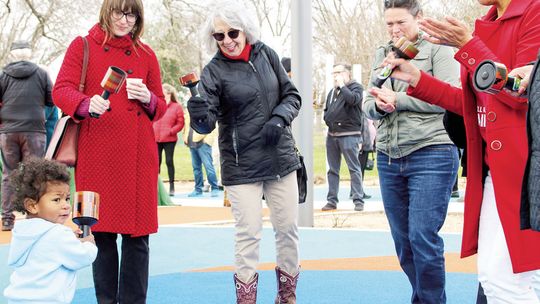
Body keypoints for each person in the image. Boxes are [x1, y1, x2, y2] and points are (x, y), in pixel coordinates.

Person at [377, 0, 540, 302]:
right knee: (496, 279)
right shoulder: (488, 23)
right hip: (497, 172)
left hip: (524, 170)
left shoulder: (534, 13)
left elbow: (520, 89)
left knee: (508, 282)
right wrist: (416, 78)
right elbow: (472, 105)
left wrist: (468, 44)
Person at [52, 0, 167, 302]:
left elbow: (161, 106)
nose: (124, 20)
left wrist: (149, 98)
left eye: (132, 14)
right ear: (106, 11)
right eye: (119, 11)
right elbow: (61, 89)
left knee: (138, 239)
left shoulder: (147, 53)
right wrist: (86, 103)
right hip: (97, 152)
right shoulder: (83, 46)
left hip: (139, 155)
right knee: (100, 235)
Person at [187, 1, 302, 302]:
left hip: (280, 158)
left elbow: (292, 95)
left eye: (232, 32)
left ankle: (287, 296)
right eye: (218, 36)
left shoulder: (266, 54)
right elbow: (206, 124)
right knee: (248, 235)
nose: (227, 40)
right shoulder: (213, 71)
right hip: (242, 166)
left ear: (245, 30)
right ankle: (246, 299)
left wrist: (279, 118)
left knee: (288, 230)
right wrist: (198, 114)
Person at [363, 0, 460, 302]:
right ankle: (424, 298)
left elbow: (451, 97)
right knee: (404, 243)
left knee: (423, 237)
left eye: (401, 22)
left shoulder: (438, 49)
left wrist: (400, 99)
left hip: (432, 151)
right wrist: (378, 105)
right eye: (389, 23)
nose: (394, 29)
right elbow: (367, 103)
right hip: (390, 156)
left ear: (418, 18)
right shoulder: (383, 53)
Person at [3, 157, 97, 303]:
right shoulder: (58, 234)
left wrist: (69, 239)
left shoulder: (21, 232)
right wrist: (89, 244)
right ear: (32, 206)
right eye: (56, 200)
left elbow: (46, 249)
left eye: (67, 198)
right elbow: (82, 257)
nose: (66, 205)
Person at [0, 40, 54, 231]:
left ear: (13, 54)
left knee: (8, 174)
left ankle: (7, 219)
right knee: (35, 174)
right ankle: (35, 217)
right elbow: (51, 99)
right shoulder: (41, 74)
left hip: (8, 131)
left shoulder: (4, 75)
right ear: (29, 54)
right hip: (34, 130)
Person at [322, 63, 366, 212]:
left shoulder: (356, 88)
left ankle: (358, 200)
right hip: (332, 135)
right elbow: (327, 110)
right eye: (333, 73)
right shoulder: (332, 92)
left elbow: (353, 100)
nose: (335, 76)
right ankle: (332, 200)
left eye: (338, 72)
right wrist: (327, 119)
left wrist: (342, 86)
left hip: (349, 135)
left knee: (354, 168)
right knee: (332, 170)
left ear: (347, 74)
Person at [153, 83, 184, 196]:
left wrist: (171, 131)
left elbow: (180, 123)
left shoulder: (176, 106)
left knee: (169, 161)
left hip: (169, 139)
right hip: (156, 138)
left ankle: (172, 186)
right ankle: (156, 187)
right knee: (156, 163)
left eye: (163, 92)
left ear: (169, 94)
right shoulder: (158, 105)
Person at [183, 112, 220, 198]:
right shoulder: (189, 111)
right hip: (191, 142)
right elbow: (186, 126)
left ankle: (215, 188)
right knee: (196, 168)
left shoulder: (206, 109)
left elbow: (212, 127)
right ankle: (198, 189)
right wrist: (185, 137)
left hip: (203, 143)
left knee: (208, 166)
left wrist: (207, 141)